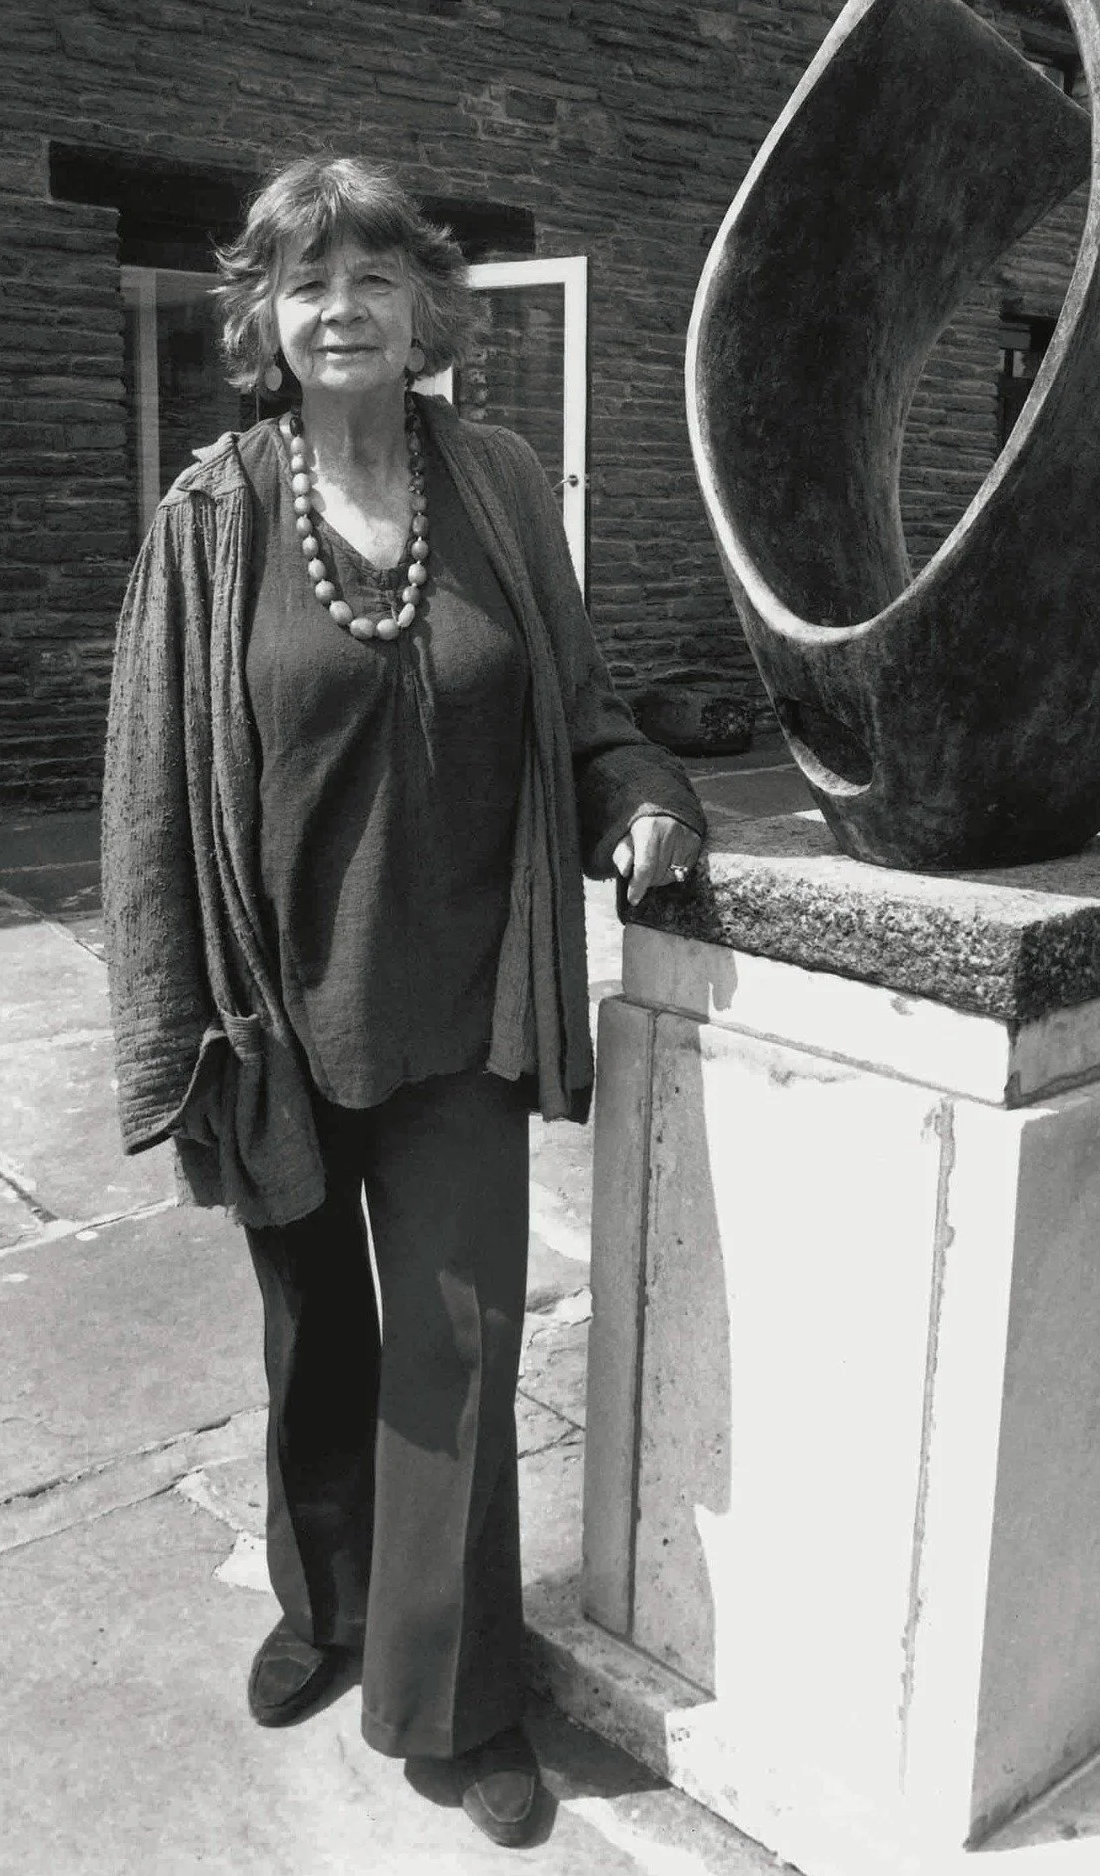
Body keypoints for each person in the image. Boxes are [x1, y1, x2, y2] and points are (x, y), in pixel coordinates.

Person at [101, 153, 705, 1848]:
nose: (343, 306)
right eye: (308, 282)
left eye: (374, 276)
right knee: (316, 1342)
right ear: (265, 322)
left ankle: (453, 1696)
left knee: (458, 1349)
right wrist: (173, 1032)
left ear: (428, 308)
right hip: (276, 1012)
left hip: (465, 1010)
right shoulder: (213, 514)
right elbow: (150, 794)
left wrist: (643, 800)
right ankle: (330, 1606)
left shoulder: (501, 484)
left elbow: (582, 708)